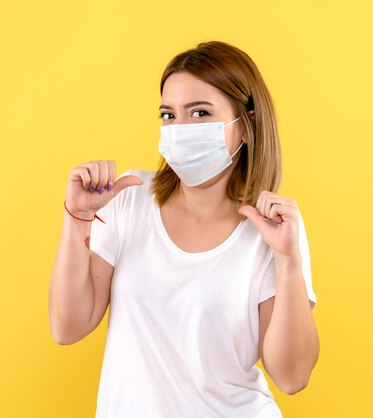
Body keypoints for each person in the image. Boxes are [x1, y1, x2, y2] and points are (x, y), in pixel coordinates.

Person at [49, 40, 319, 418]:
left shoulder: (272, 231)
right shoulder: (129, 199)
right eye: (169, 115)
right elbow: (67, 327)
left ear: (245, 127)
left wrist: (288, 260)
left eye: (200, 113)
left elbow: (292, 377)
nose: (180, 129)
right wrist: (77, 217)